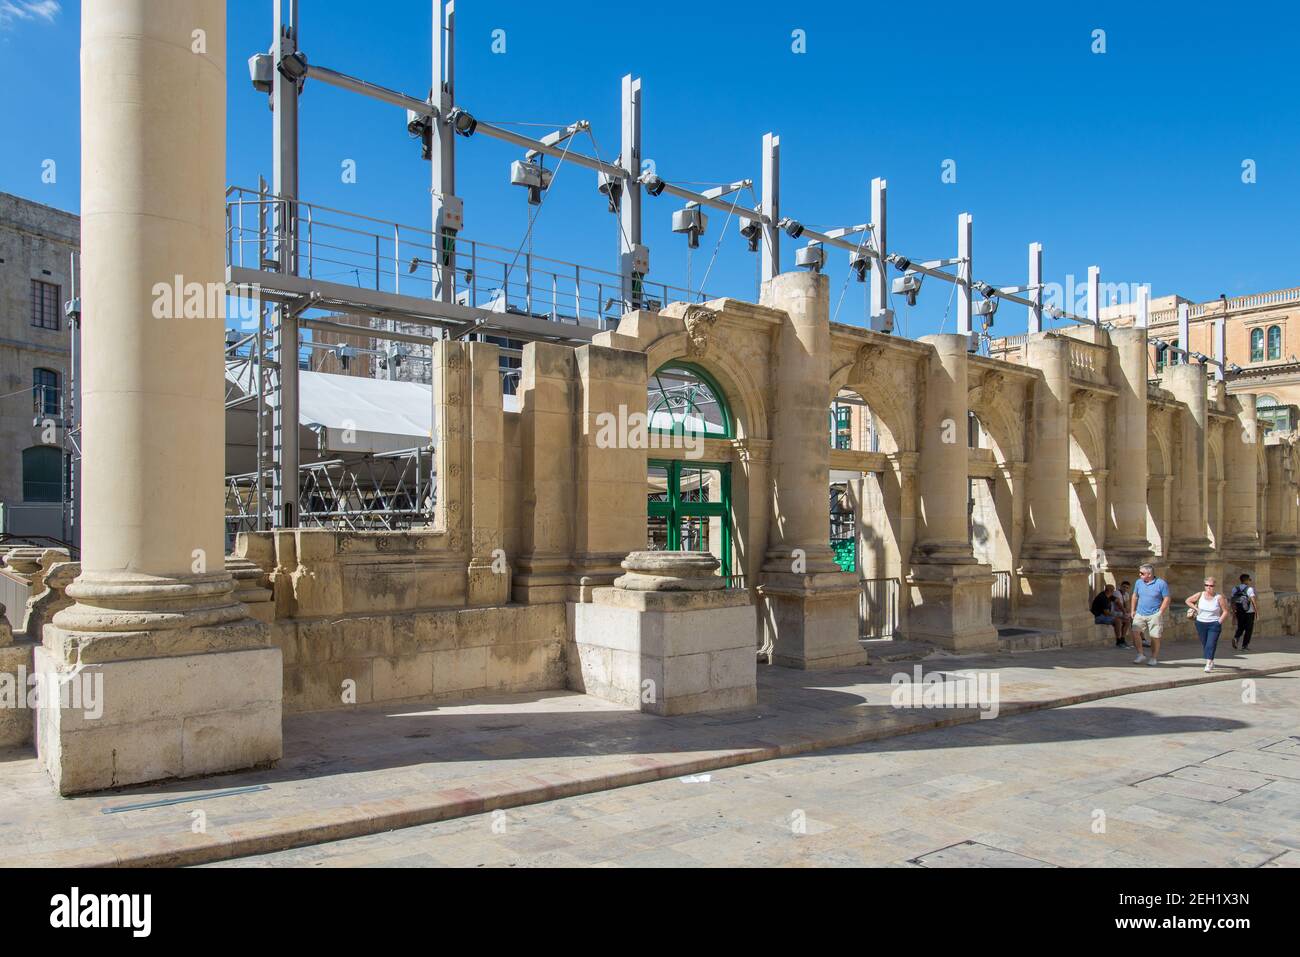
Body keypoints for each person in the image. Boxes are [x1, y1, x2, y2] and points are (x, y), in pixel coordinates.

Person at [1186, 577, 1230, 672]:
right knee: (1205, 644)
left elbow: (1225, 611)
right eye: (1206, 585)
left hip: (1214, 624)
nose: (1208, 587)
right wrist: (1196, 609)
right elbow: (1188, 601)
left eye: (1211, 586)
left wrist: (1219, 622)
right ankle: (1211, 659)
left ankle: (1208, 663)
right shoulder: (1200, 594)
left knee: (1211, 643)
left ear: (1214, 586)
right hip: (1200, 623)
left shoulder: (1219, 597)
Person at [1130, 563, 1170, 666]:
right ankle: (1140, 654)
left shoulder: (1161, 583)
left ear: (1149, 574)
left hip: (1154, 614)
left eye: (1142, 573)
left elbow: (1166, 598)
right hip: (1140, 612)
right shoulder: (1139, 582)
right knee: (1135, 633)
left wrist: (1160, 612)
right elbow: (1135, 596)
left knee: (1154, 637)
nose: (1140, 575)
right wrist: (1132, 610)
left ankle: (1153, 657)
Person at [1229, 573, 1257, 651]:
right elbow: (1253, 600)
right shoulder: (1249, 589)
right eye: (1249, 580)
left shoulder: (1235, 588)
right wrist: (1256, 610)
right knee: (1249, 629)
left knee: (1240, 626)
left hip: (1239, 610)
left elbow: (1232, 600)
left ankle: (1236, 637)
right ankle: (1245, 646)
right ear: (1247, 580)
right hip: (1249, 611)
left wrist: (1234, 611)